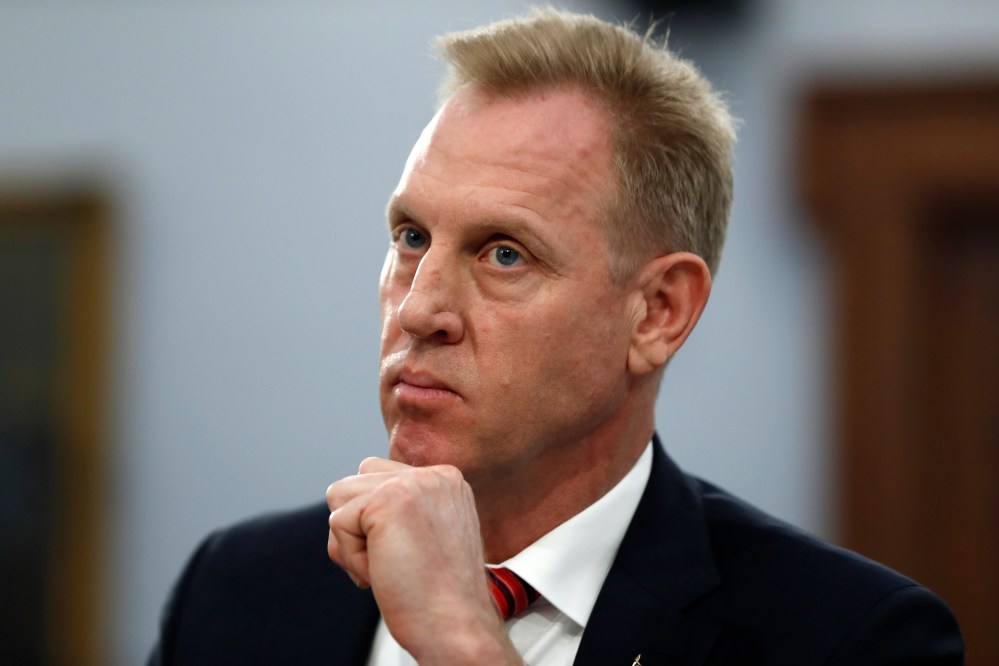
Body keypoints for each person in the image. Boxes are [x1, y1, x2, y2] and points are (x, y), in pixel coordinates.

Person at [148, 8, 964, 665]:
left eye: (504, 253)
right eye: (409, 239)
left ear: (657, 313)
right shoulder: (238, 588)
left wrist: (466, 645)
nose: (418, 308)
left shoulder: (846, 637)